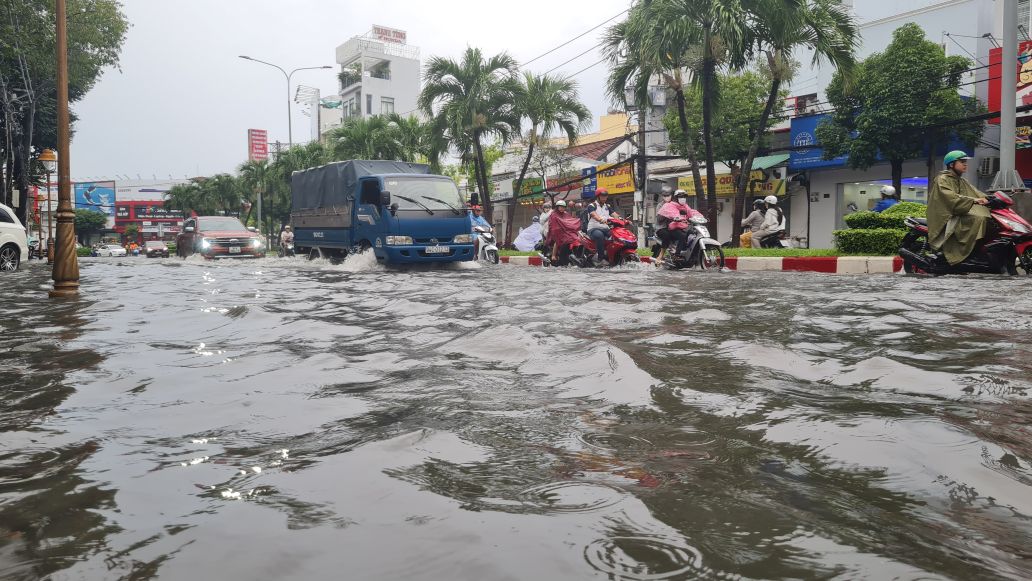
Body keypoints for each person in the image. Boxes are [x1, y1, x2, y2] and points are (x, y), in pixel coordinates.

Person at [928, 150, 990, 265]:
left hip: (958, 212)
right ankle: (957, 253)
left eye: (965, 162)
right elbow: (951, 197)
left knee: (987, 217)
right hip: (947, 215)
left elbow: (976, 192)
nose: (965, 164)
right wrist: (974, 200)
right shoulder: (942, 179)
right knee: (979, 219)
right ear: (951, 165)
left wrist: (991, 198)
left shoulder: (961, 180)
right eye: (962, 162)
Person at [546, 200, 581, 266]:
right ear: (557, 207)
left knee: (575, 237)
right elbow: (552, 225)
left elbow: (570, 221)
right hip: (557, 232)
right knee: (557, 240)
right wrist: (559, 229)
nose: (562, 208)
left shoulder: (566, 214)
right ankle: (553, 255)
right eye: (560, 207)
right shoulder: (553, 215)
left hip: (566, 231)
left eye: (563, 207)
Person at [585, 188, 614, 265]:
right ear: (598, 197)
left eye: (606, 196)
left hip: (606, 228)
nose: (604, 198)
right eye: (602, 196)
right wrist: (600, 219)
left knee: (616, 236)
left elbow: (615, 215)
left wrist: (623, 220)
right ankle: (600, 258)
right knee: (599, 235)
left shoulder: (607, 206)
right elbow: (594, 214)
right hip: (593, 229)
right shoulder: (592, 205)